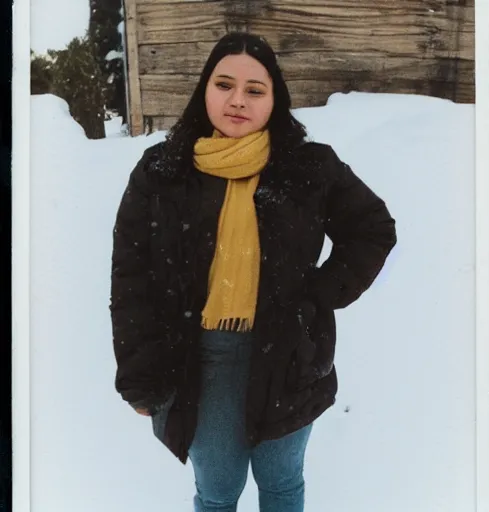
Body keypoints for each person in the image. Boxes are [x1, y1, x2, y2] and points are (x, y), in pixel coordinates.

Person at [110, 32, 397, 512]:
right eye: (224, 84)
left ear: (274, 99)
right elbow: (132, 278)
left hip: (290, 354)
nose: (237, 100)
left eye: (255, 89)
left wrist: (320, 294)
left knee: (282, 484)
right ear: (205, 90)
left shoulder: (310, 167)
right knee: (218, 491)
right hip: (202, 361)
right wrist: (139, 375)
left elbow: (372, 229)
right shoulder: (162, 171)